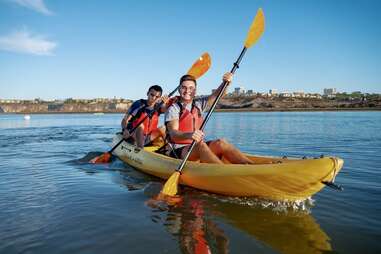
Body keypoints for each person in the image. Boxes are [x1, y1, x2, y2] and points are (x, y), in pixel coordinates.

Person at [164, 73, 253, 164]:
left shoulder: (199, 104)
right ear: (179, 89)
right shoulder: (173, 109)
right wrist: (190, 135)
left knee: (221, 142)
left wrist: (225, 83)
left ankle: (251, 167)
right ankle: (223, 172)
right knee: (200, 145)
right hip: (177, 150)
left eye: (191, 88)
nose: (187, 91)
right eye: (184, 87)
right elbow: (173, 134)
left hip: (195, 146)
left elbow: (217, 95)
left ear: (195, 90)